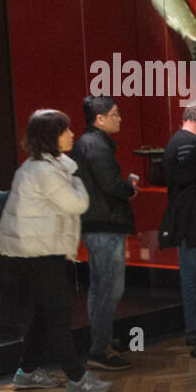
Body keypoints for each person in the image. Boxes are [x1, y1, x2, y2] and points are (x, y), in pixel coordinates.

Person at [0, 110, 112, 392]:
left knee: (43, 314)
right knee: (58, 316)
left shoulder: (45, 166)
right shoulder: (45, 171)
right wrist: (77, 180)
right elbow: (77, 204)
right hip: (39, 253)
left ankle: (26, 372)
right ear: (51, 136)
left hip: (37, 251)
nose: (72, 134)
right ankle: (77, 378)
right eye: (65, 130)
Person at [71, 94, 136, 371]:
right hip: (105, 224)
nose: (119, 118)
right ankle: (99, 349)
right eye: (115, 114)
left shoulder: (89, 144)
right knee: (109, 287)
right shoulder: (96, 145)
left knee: (101, 288)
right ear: (99, 119)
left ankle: (102, 342)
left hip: (97, 224)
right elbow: (110, 185)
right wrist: (129, 189)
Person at [162, 102, 196, 345]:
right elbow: (189, 182)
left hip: (183, 221)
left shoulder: (177, 141)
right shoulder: (189, 144)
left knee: (190, 279)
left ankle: (195, 330)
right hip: (193, 222)